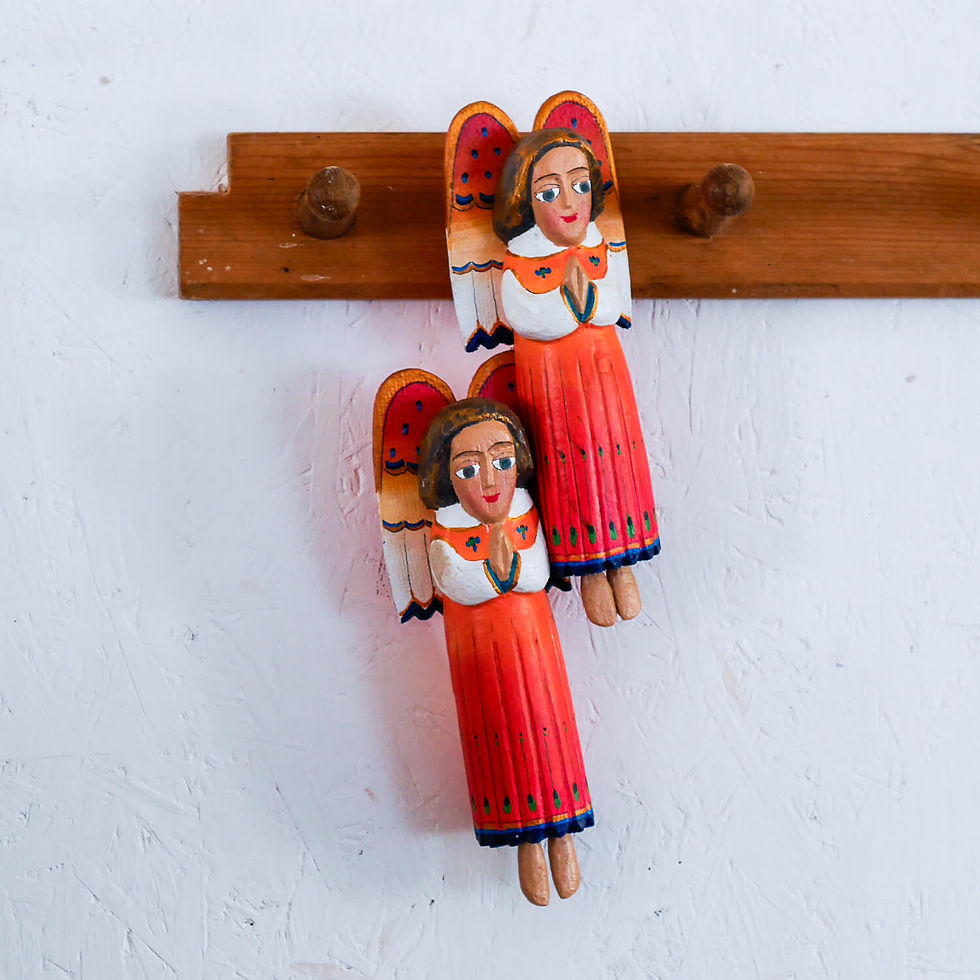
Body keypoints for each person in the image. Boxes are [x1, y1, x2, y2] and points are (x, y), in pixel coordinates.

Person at [418, 398, 593, 906]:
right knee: (502, 750)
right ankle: (528, 849)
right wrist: (496, 572)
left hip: (537, 659)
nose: (490, 481)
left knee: (552, 739)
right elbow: (457, 581)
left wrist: (509, 568)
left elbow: (537, 574)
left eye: (501, 461)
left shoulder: (524, 519)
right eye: (469, 469)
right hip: (483, 666)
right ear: (447, 479)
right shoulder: (443, 536)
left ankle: (563, 841)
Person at [492, 128, 660, 627]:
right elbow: (530, 317)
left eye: (580, 185)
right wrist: (574, 302)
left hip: (608, 383)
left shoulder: (603, 248)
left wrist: (588, 300)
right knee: (572, 475)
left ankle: (625, 564)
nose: (568, 203)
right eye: (548, 192)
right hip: (553, 389)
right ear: (524, 202)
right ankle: (591, 576)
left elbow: (612, 304)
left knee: (617, 466)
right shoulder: (520, 262)